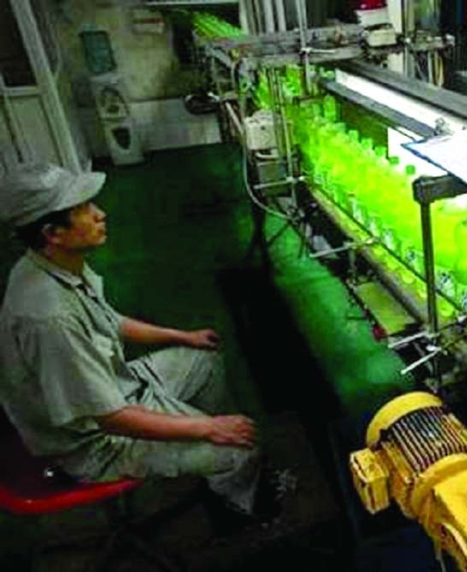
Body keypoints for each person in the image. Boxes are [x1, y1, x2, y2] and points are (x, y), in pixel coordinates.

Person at [0, 163, 276, 524]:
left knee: (204, 358)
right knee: (243, 447)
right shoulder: (49, 318)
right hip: (94, 442)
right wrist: (210, 429)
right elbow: (111, 419)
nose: (101, 214)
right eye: (84, 210)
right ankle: (240, 510)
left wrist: (183, 337)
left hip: (116, 387)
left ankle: (216, 470)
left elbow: (109, 321)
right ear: (54, 232)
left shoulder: (53, 264)